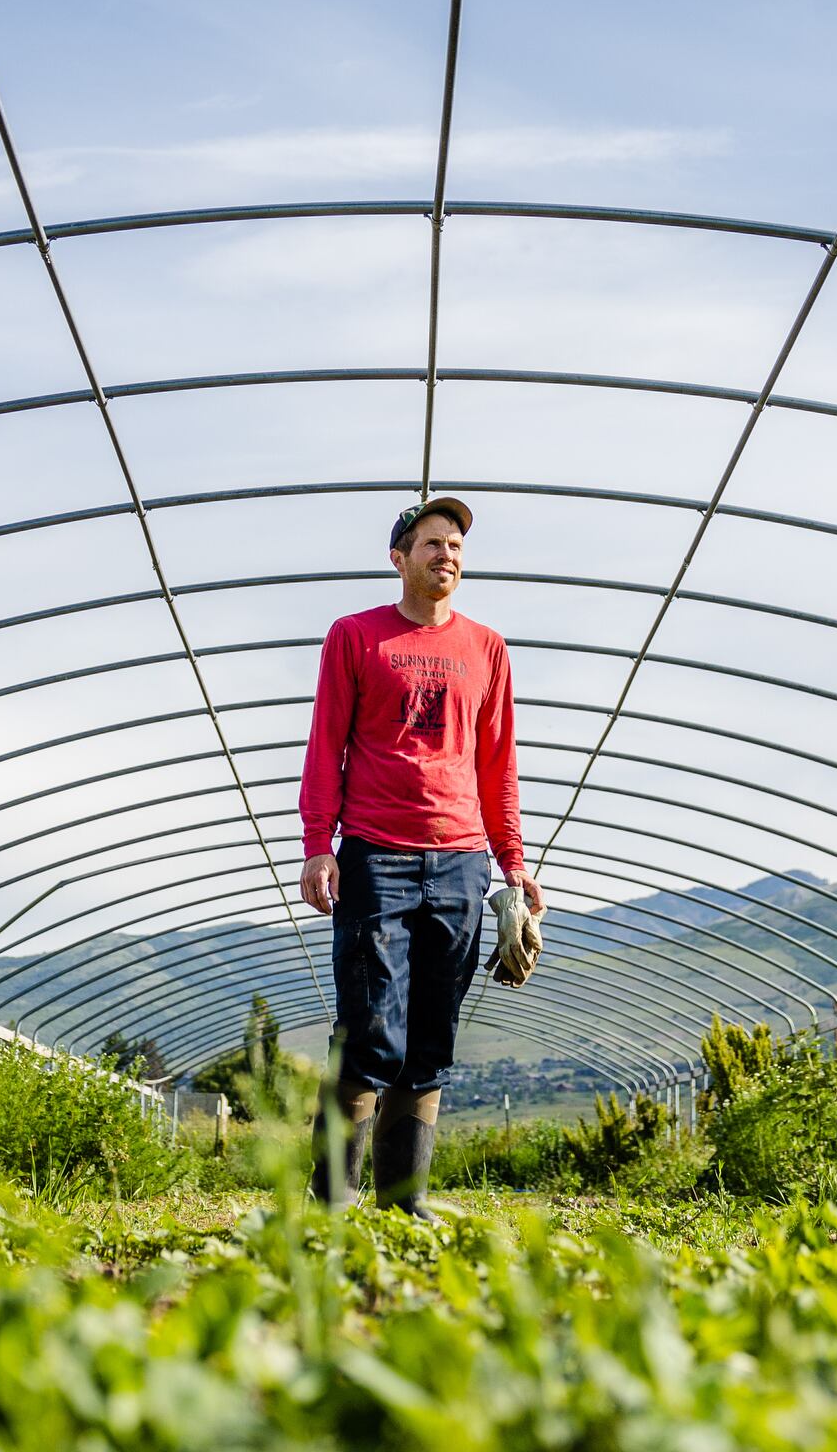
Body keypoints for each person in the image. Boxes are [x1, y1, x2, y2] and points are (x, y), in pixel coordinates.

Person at [298, 494, 543, 1212]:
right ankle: (332, 1201)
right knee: (372, 1027)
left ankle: (403, 1201)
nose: (448, 556)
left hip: (463, 862)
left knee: (431, 1035)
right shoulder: (356, 637)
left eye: (458, 547)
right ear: (399, 558)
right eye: (433, 543)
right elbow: (326, 748)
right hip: (376, 855)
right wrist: (321, 845)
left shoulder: (486, 648)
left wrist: (515, 868)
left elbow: (498, 767)